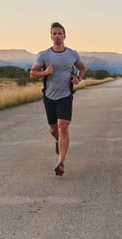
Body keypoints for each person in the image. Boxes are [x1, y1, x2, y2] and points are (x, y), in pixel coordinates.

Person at [30, 22, 86, 176]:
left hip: (65, 95)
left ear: (64, 36)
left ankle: (61, 162)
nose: (57, 36)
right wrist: (45, 73)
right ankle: (58, 141)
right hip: (49, 96)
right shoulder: (44, 55)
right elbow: (32, 74)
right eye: (54, 33)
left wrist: (78, 79)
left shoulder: (72, 54)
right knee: (54, 129)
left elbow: (82, 68)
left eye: (60, 33)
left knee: (63, 126)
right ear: (50, 36)